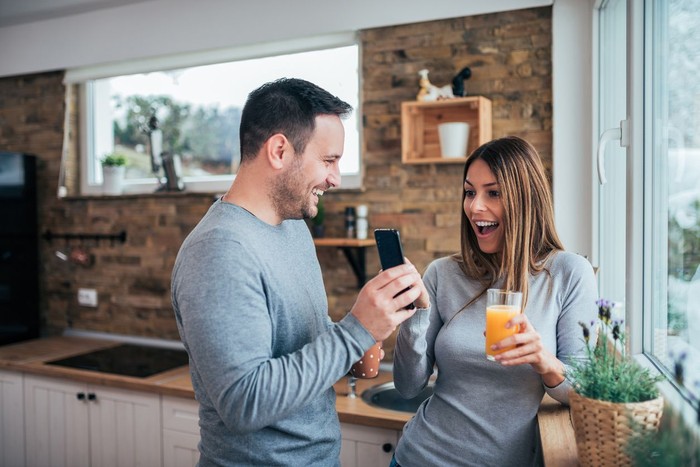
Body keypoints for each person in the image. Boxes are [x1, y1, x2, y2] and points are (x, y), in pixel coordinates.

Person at [171, 77, 426, 466]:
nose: (335, 179)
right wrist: (356, 328)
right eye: (329, 160)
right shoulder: (219, 250)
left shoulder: (293, 229)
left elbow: (311, 346)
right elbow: (244, 403)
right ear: (278, 150)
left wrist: (375, 325)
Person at [391, 136, 598, 467]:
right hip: (418, 456)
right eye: (470, 192)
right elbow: (407, 386)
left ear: (525, 198)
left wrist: (544, 361)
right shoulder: (443, 274)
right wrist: (413, 318)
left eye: (493, 193)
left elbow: (585, 392)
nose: (475, 207)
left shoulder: (569, 273)